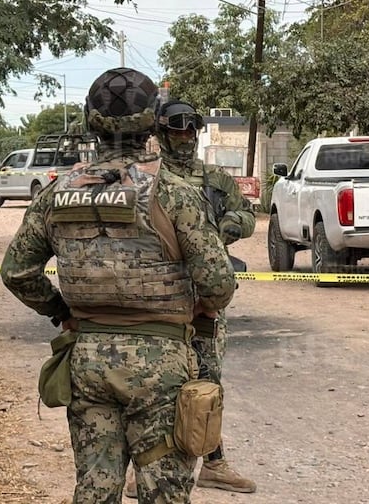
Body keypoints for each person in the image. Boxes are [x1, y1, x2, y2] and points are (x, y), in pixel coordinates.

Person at [0, 67, 236, 504]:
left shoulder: (58, 192)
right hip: (161, 366)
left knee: (95, 488)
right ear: (152, 123)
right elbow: (219, 284)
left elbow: (17, 272)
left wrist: (61, 311)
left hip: (87, 361)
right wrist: (201, 307)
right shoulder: (174, 192)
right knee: (163, 493)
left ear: (90, 120)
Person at [125, 99, 256, 497]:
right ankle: (141, 469)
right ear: (161, 134)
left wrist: (222, 228)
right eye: (176, 130)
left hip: (204, 297)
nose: (184, 137)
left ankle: (214, 463)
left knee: (208, 381)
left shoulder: (214, 178)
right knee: (152, 384)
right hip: (159, 297)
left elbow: (246, 215)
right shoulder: (146, 179)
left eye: (190, 130)